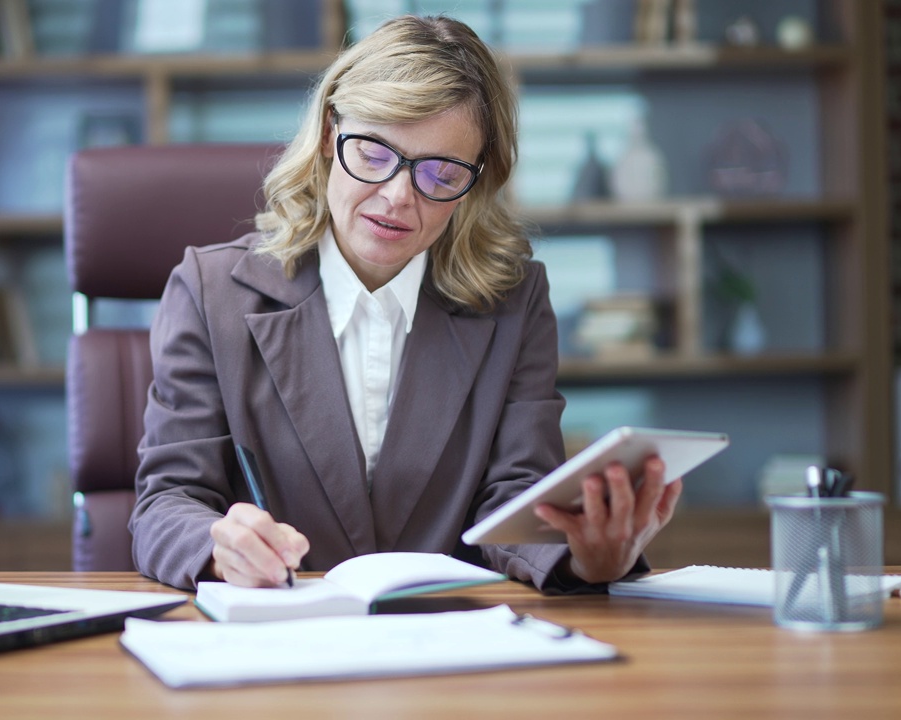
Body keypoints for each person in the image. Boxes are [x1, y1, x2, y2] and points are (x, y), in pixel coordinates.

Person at [129, 14, 682, 593]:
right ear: (327, 136)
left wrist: (583, 556)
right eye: (372, 153)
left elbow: (516, 496)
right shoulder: (210, 290)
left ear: (478, 180)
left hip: (450, 641)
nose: (398, 196)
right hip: (280, 636)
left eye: (442, 172)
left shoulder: (514, 301)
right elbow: (167, 504)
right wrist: (220, 547)